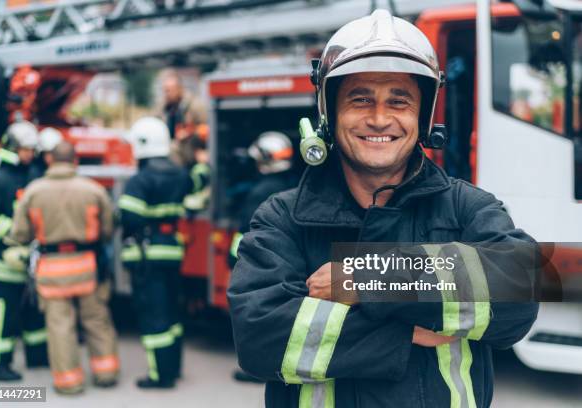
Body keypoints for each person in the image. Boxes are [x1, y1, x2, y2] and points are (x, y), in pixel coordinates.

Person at [227, 10, 539, 407]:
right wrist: (405, 333)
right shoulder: (282, 217)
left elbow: (521, 287)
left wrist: (367, 281)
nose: (379, 119)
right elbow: (260, 338)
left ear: (422, 115)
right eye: (360, 100)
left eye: (399, 101)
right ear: (330, 111)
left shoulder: (467, 207)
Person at [8, 141, 119, 394]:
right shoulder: (92, 190)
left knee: (60, 326)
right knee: (96, 320)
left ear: (50, 160)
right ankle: (106, 373)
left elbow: (20, 233)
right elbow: (108, 229)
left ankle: (69, 382)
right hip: (88, 266)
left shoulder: (34, 191)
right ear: (75, 161)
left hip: (52, 269)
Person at [118, 117, 193, 389]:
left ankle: (159, 376)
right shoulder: (180, 174)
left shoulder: (140, 180)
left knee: (154, 316)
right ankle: (173, 368)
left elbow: (129, 218)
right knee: (172, 313)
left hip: (147, 257)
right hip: (172, 251)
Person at [0, 122, 49, 381]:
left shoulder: (31, 175)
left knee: (33, 311)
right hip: (3, 260)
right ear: (13, 148)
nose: (29, 154)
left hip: (30, 259)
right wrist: (14, 235)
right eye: (25, 149)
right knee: (3, 313)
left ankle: (38, 356)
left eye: (31, 150)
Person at [229, 131, 297, 383]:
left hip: (261, 264)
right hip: (289, 263)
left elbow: (247, 234)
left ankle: (260, 370)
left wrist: (234, 261)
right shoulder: (295, 184)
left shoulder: (261, 191)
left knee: (261, 316)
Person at [161, 69, 208, 140]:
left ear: (179, 89)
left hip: (191, 148)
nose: (167, 94)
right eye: (165, 91)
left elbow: (208, 128)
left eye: (169, 90)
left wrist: (189, 131)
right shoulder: (165, 107)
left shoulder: (194, 105)